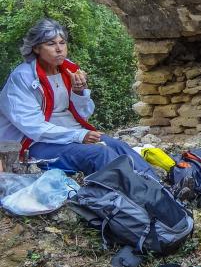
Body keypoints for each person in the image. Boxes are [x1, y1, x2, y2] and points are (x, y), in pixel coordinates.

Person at [0, 19, 157, 179]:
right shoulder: (22, 78)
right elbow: (33, 127)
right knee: (98, 153)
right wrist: (79, 136)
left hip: (69, 133)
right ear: (36, 48)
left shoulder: (69, 70)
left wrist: (79, 92)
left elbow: (83, 114)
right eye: (50, 44)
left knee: (118, 145)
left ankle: (154, 183)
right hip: (33, 143)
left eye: (62, 43)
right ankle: (138, 191)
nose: (59, 49)